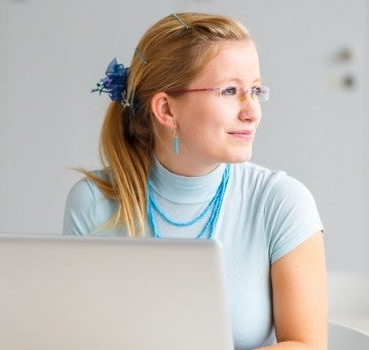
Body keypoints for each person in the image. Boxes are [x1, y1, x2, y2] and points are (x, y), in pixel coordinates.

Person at [63, 12, 327, 350]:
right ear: (167, 110)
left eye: (256, 90)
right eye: (231, 91)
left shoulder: (282, 201)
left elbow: (305, 345)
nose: (253, 111)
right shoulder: (93, 202)